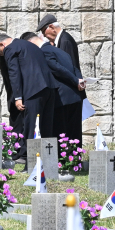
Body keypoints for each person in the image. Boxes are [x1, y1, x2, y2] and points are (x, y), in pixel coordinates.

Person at [0, 30, 54, 167]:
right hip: (48, 88)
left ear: (1, 44)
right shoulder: (27, 44)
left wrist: (18, 97)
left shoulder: (10, 49)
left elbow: (14, 73)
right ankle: (48, 162)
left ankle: (29, 163)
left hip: (32, 91)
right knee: (45, 127)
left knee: (30, 127)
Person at [28, 33, 86, 153]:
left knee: (61, 132)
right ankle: (75, 159)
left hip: (61, 98)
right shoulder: (60, 51)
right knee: (74, 132)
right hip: (75, 96)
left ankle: (62, 162)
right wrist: (79, 81)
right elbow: (74, 67)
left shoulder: (44, 52)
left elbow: (57, 68)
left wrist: (76, 81)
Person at [37, 14, 85, 144]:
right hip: (70, 91)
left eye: (44, 32)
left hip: (71, 91)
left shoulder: (65, 40)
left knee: (70, 130)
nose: (44, 36)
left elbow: (69, 66)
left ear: (51, 27)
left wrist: (76, 82)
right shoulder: (59, 40)